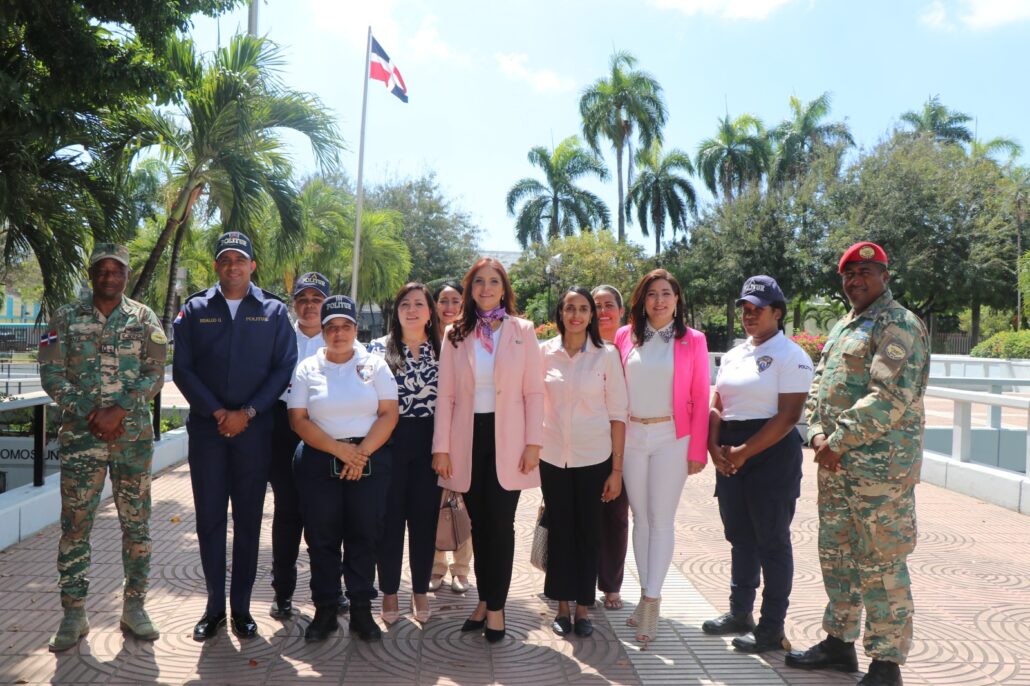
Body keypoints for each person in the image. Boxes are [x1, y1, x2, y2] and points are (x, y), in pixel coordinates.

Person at [784, 242, 929, 686]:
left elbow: (889, 396)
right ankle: (839, 643)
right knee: (838, 556)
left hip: (879, 474)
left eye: (866, 272)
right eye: (849, 274)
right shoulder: (845, 325)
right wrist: (815, 432)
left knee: (881, 563)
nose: (855, 280)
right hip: (836, 466)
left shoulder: (898, 324)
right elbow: (819, 385)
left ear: (885, 276)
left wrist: (837, 440)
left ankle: (886, 665)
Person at [40, 244, 167, 652]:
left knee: (137, 525)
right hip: (82, 439)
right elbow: (51, 374)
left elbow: (155, 372)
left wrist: (119, 410)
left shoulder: (144, 318)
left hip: (132, 441)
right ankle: (73, 613)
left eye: (117, 270)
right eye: (102, 270)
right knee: (76, 526)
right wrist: (92, 412)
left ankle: (135, 607)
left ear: (127, 275)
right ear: (92, 274)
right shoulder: (65, 317)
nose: (109, 277)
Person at [173, 231, 297, 641]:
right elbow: (183, 369)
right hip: (207, 431)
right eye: (225, 260)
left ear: (252, 266)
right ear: (216, 266)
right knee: (209, 519)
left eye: (240, 260)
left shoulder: (273, 311)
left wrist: (247, 412)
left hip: (254, 432)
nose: (232, 266)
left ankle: (241, 608)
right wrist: (217, 412)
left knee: (248, 520)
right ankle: (214, 607)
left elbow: (283, 367)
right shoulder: (195, 309)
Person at [432, 257, 545, 643]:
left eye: (493, 281)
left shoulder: (522, 330)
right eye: (479, 281)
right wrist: (442, 448)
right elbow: (446, 396)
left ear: (503, 288)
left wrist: (533, 443)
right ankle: (485, 599)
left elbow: (534, 392)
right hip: (467, 440)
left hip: (509, 440)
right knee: (479, 525)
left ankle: (496, 608)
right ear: (470, 288)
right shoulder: (455, 333)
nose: (486, 288)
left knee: (501, 524)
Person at [701, 275, 813, 653]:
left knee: (772, 542)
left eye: (758, 309)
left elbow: (788, 416)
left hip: (770, 453)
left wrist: (744, 451)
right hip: (730, 449)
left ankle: (771, 628)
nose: (749, 315)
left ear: (777, 313)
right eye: (745, 309)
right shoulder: (734, 354)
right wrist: (714, 446)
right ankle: (740, 613)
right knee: (740, 537)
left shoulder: (791, 355)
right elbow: (718, 403)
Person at [288, 295, 400, 642]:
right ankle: (324, 610)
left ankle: (362, 610)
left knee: (364, 534)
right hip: (319, 458)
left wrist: (359, 454)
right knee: (321, 537)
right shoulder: (307, 368)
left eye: (346, 326)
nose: (339, 333)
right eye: (331, 327)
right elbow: (298, 419)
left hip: (368, 459)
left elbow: (389, 413)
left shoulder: (375, 365)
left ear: (356, 329)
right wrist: (339, 450)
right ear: (323, 332)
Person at [613, 268, 709, 643]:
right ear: (642, 300)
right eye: (652, 293)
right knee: (640, 519)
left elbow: (701, 395)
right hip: (633, 435)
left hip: (673, 437)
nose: (659, 300)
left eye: (666, 293)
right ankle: (644, 595)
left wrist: (697, 450)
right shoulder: (625, 336)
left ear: (677, 299)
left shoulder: (693, 340)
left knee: (661, 520)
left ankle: (652, 601)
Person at [540, 287, 627, 638]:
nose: (576, 315)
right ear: (560, 313)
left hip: (594, 457)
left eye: (583, 309)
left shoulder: (606, 355)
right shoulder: (544, 353)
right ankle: (562, 607)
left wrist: (616, 470)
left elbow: (618, 414)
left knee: (589, 533)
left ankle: (583, 608)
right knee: (560, 530)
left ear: (591, 315)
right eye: (569, 308)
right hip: (552, 457)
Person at [368, 283, 442, 624]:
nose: (411, 310)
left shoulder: (445, 349)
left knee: (424, 521)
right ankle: (389, 591)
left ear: (430, 312)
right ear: (395, 311)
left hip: (430, 444)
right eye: (404, 304)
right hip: (388, 443)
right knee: (389, 520)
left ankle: (420, 591)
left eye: (418, 304)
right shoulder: (376, 349)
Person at [268, 272, 333, 620]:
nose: (309, 305)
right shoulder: (278, 336)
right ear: (293, 304)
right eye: (303, 299)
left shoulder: (338, 338)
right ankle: (283, 592)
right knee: (287, 511)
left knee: (326, 514)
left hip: (325, 427)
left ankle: (330, 591)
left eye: (316, 299)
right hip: (283, 428)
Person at [430, 280, 474, 594]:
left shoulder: (469, 337)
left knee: (462, 504)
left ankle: (461, 569)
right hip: (428, 432)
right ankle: (435, 567)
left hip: (463, 432)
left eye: (455, 300)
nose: (449, 307)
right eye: (443, 300)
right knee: (433, 506)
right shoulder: (425, 338)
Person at [591, 284, 630, 611]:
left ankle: (611, 585)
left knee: (615, 516)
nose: (602, 312)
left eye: (609, 306)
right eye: (596, 306)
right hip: (582, 443)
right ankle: (577, 580)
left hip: (623, 443)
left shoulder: (631, 348)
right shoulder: (578, 344)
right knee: (579, 515)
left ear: (621, 311)